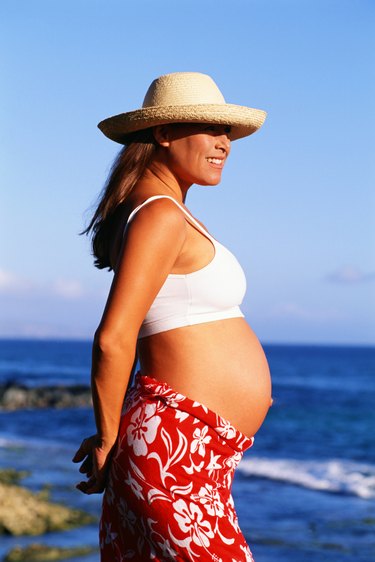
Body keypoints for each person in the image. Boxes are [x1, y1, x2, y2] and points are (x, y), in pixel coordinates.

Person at [73, 72, 272, 561]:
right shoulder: (160, 214)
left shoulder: (161, 212)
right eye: (210, 129)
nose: (225, 144)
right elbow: (113, 338)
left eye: (228, 133)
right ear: (164, 133)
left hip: (194, 455)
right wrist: (106, 436)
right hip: (174, 451)